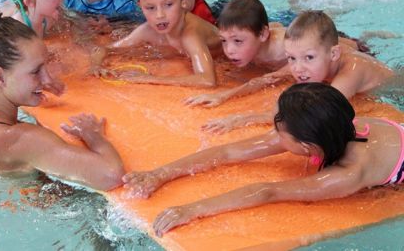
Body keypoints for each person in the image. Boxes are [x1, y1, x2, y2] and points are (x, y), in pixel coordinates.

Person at [122, 82, 404, 236]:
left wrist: (190, 210)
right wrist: (159, 173)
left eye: (280, 132)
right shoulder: (328, 125)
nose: (274, 133)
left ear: (307, 147)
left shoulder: (348, 173)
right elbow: (229, 151)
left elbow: (270, 192)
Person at [0, 0, 124, 191]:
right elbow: (111, 175)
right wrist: (93, 136)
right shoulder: (22, 139)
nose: (47, 79)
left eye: (46, 66)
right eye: (36, 71)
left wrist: (29, 84)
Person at [199, 10, 394, 134]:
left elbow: (311, 114)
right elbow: (272, 78)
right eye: (291, 58)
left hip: (395, 92)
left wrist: (242, 120)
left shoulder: (351, 72)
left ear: (333, 54)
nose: (297, 69)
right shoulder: (314, 58)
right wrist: (224, 96)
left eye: (308, 58)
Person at [89, 0, 222, 87]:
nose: (160, 15)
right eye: (150, 8)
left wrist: (150, 79)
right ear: (140, 7)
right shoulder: (147, 31)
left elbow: (207, 80)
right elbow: (103, 49)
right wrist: (96, 66)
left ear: (183, 0)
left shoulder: (190, 34)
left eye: (168, 5)